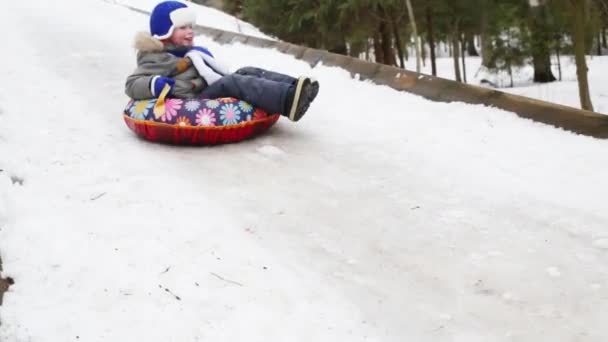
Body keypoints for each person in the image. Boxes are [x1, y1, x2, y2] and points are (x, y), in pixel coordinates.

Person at [125, 1, 319, 122]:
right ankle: (286, 101)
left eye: (190, 26)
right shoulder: (154, 57)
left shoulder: (189, 52)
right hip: (190, 99)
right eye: (182, 27)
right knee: (231, 82)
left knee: (245, 71)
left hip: (202, 89)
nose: (190, 31)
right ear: (165, 32)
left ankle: (296, 88)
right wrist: (154, 84)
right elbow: (132, 84)